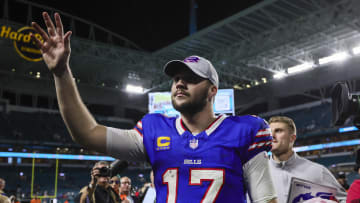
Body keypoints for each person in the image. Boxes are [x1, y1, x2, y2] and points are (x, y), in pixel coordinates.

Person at [31, 12, 277, 202]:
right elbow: (87, 133)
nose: (180, 83)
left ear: (213, 90)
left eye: (191, 78)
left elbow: (266, 199)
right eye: (176, 78)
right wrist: (62, 73)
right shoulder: (154, 128)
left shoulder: (245, 131)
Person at [268, 116, 347, 203]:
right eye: (269, 132)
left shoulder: (318, 171)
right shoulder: (256, 174)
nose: (272, 136)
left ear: (292, 138)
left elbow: (345, 200)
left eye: (278, 131)